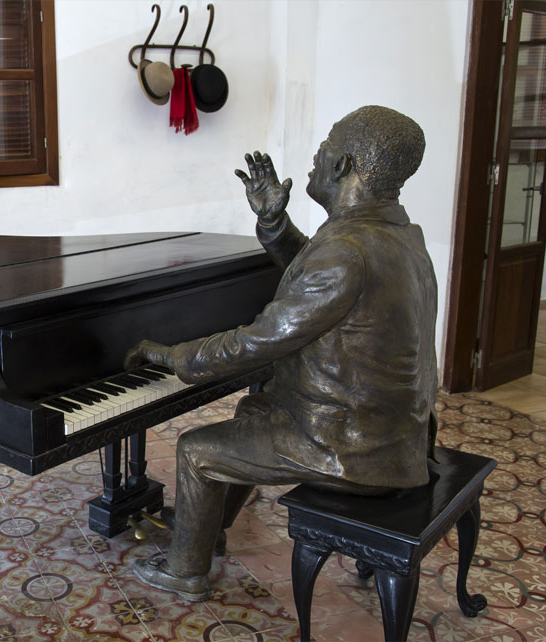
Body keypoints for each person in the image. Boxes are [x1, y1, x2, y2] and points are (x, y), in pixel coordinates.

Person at [124, 105, 440, 602]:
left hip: (353, 449)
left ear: (344, 165)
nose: (317, 154)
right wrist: (274, 223)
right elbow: (324, 280)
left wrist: (174, 356)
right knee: (255, 412)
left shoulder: (348, 250)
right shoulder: (395, 235)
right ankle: (208, 526)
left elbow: (257, 341)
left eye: (327, 143)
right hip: (396, 433)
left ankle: (185, 571)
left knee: (196, 449)